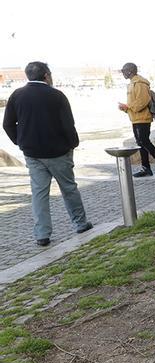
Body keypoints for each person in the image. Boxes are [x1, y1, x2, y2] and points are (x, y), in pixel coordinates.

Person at [2, 61, 93, 247]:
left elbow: (8, 124)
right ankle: (80, 223)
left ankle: (42, 234)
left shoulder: (17, 95)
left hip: (32, 153)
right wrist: (72, 144)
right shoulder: (57, 96)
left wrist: (20, 141)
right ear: (46, 75)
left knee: (39, 193)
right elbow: (68, 124)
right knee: (68, 188)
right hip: (58, 151)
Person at [118, 62, 155, 178]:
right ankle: (146, 168)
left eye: (123, 71)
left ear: (130, 71)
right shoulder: (132, 84)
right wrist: (126, 109)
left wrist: (127, 107)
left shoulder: (140, 83)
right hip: (136, 118)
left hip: (142, 118)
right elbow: (135, 103)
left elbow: (142, 102)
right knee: (140, 143)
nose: (122, 73)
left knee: (144, 142)